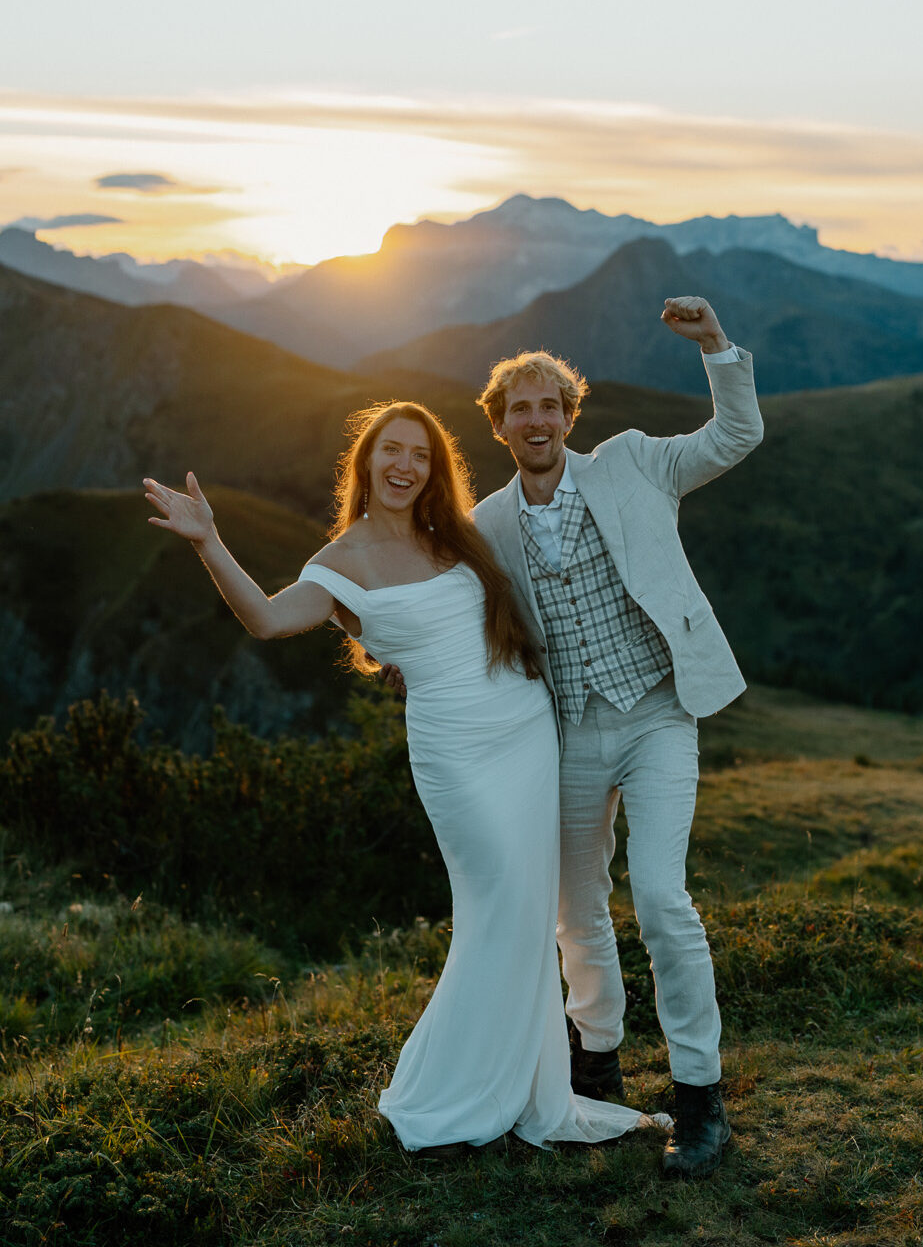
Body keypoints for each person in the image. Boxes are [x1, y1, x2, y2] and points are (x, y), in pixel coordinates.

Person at [142, 400, 663, 1156]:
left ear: (433, 469)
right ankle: (455, 1089)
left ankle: (525, 1085)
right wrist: (208, 542)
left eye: (419, 455)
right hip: (454, 751)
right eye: (390, 450)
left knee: (527, 916)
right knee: (497, 908)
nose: (404, 465)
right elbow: (264, 618)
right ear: (365, 462)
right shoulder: (339, 563)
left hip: (524, 732)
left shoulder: (452, 538)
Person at [474, 295, 763, 1178]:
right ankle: (593, 1069)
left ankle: (699, 1101)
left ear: (570, 416)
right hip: (562, 733)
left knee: (664, 901)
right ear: (499, 425)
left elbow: (733, 437)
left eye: (550, 404)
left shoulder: (633, 464)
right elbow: (440, 604)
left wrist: (715, 345)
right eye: (519, 406)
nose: (537, 418)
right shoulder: (486, 527)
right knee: (575, 909)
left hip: (656, 713)